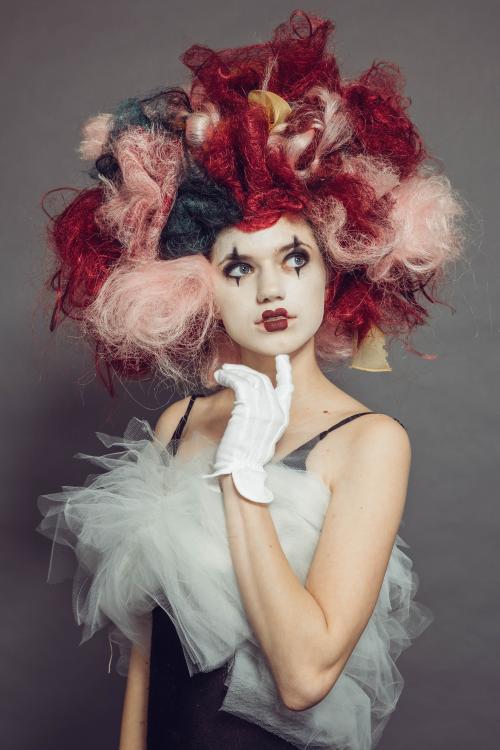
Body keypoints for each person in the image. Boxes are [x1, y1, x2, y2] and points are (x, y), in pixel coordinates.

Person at [37, 10, 465, 750]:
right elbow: (151, 654)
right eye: (239, 267)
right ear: (201, 290)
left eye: (295, 259)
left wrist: (245, 479)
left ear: (335, 269)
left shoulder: (369, 445)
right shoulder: (178, 428)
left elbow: (304, 677)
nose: (271, 290)